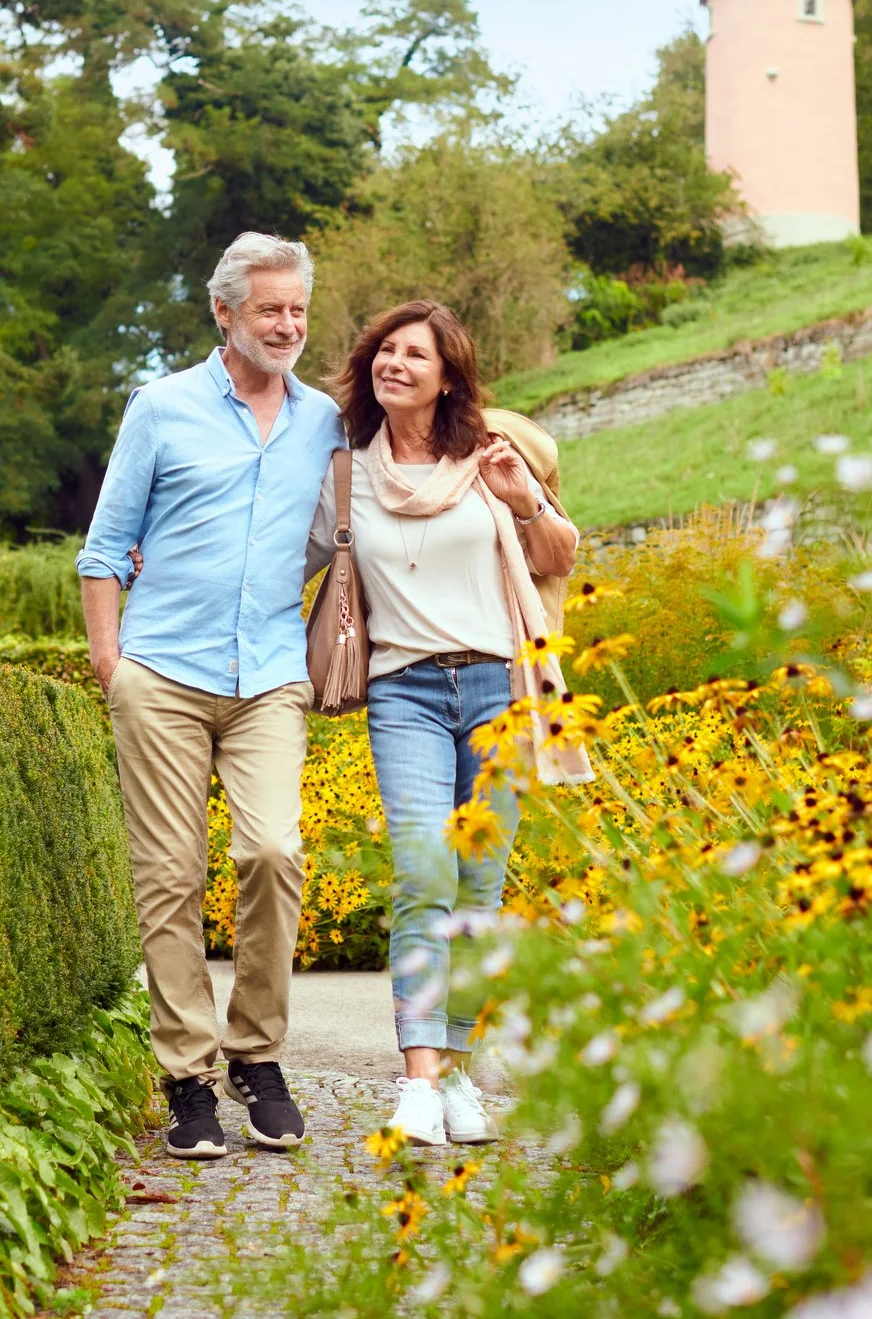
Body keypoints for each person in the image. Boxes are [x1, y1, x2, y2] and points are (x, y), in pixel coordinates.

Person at [77, 233, 346, 1160]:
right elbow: (105, 546)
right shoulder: (162, 406)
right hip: (162, 673)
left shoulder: (326, 421)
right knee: (171, 874)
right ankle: (187, 1076)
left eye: (298, 309)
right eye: (270, 308)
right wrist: (112, 663)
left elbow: (361, 511)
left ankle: (256, 1056)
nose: (288, 325)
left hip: (270, 672)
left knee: (273, 850)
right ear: (224, 312)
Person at [308, 300, 580, 1147]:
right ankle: (420, 1084)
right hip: (405, 693)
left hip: (499, 687)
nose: (394, 363)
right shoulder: (348, 474)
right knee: (425, 870)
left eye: (414, 354)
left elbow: (559, 553)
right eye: (384, 350)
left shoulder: (489, 457)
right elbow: (284, 561)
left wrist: (523, 501)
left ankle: (460, 1073)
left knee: (478, 888)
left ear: (449, 376)